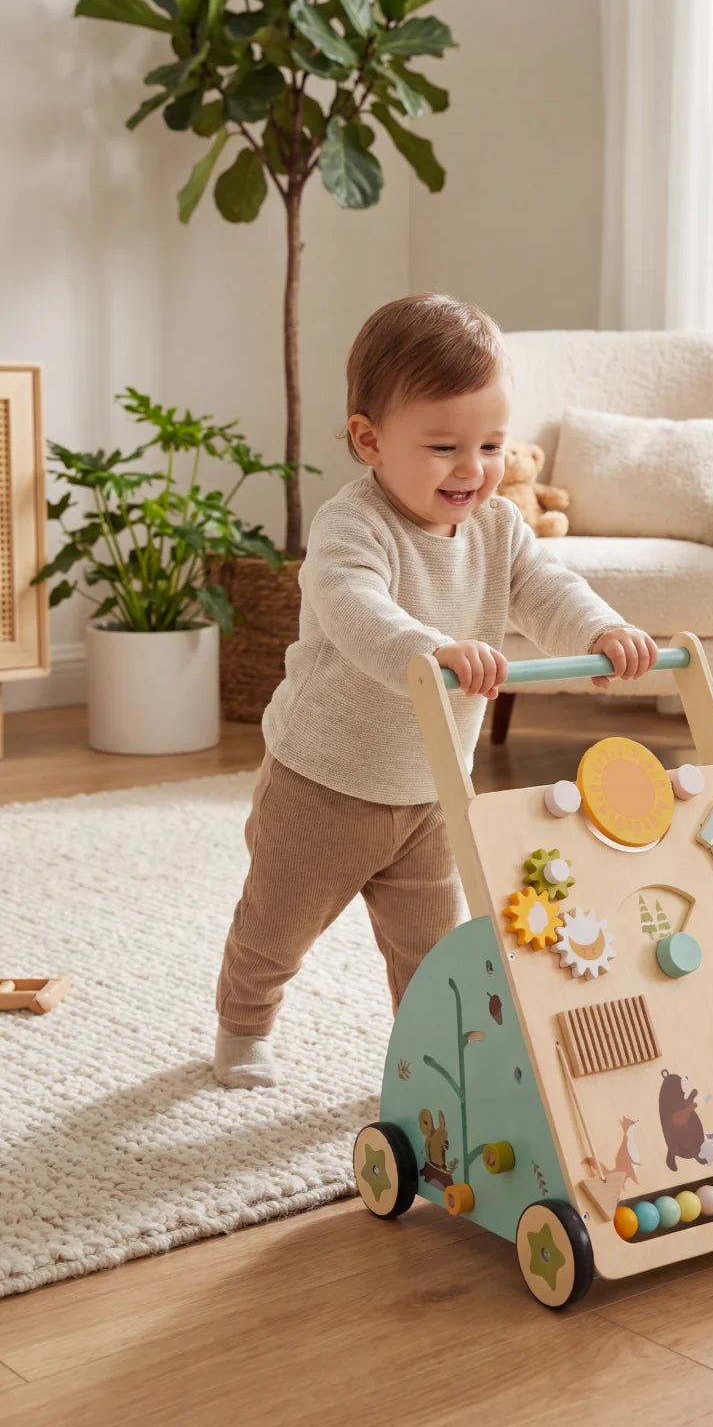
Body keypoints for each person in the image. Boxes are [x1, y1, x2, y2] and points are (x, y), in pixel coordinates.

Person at [214, 292, 658, 1087]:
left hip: (431, 791)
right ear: (370, 440)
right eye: (445, 446)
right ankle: (243, 1027)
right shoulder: (352, 527)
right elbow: (357, 611)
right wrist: (433, 650)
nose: (472, 469)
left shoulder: (499, 528)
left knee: (431, 949)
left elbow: (546, 589)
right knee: (276, 929)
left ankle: (432, 1060)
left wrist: (599, 630)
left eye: (491, 445)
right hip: (323, 782)